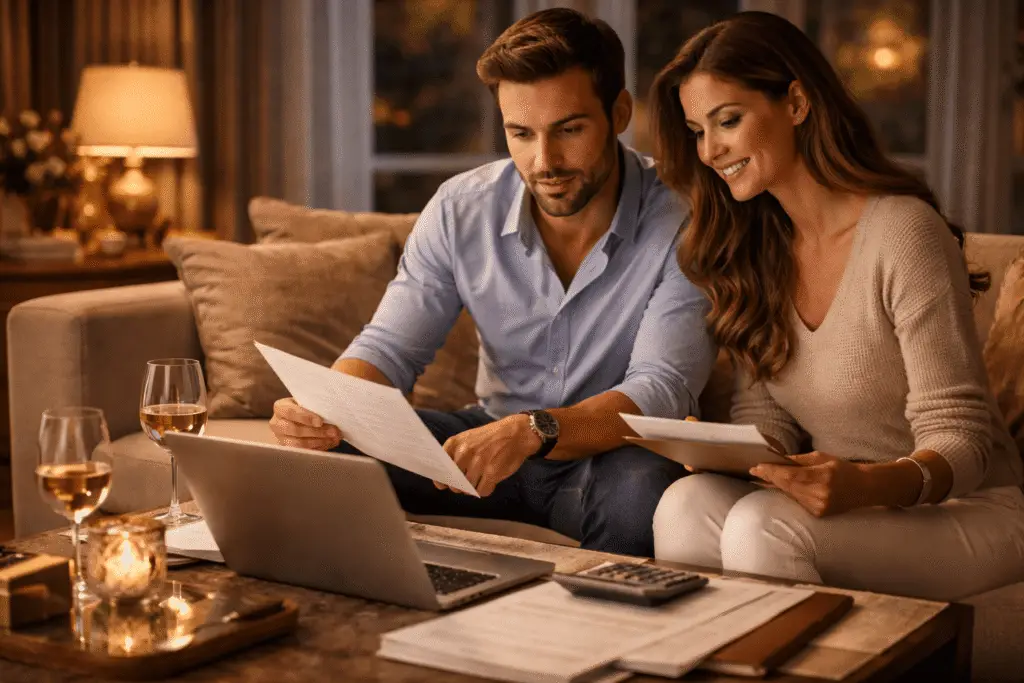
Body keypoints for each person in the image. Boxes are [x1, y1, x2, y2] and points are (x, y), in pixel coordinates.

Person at [269, 8, 717, 557]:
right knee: (325, 457)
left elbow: (661, 389)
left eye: (569, 130)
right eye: (520, 133)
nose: (544, 161)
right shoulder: (462, 208)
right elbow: (389, 348)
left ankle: (599, 637)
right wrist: (324, 407)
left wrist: (533, 430)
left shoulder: (683, 217)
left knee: (645, 495)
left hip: (608, 456)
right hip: (486, 437)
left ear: (619, 112)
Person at [647, 11, 1024, 600]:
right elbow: (764, 417)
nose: (711, 150)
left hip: (970, 510)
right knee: (685, 503)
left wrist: (865, 487)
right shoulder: (756, 250)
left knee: (760, 525)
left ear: (796, 103)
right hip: (858, 509)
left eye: (729, 121)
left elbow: (963, 439)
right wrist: (727, 453)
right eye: (697, 130)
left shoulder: (903, 232)